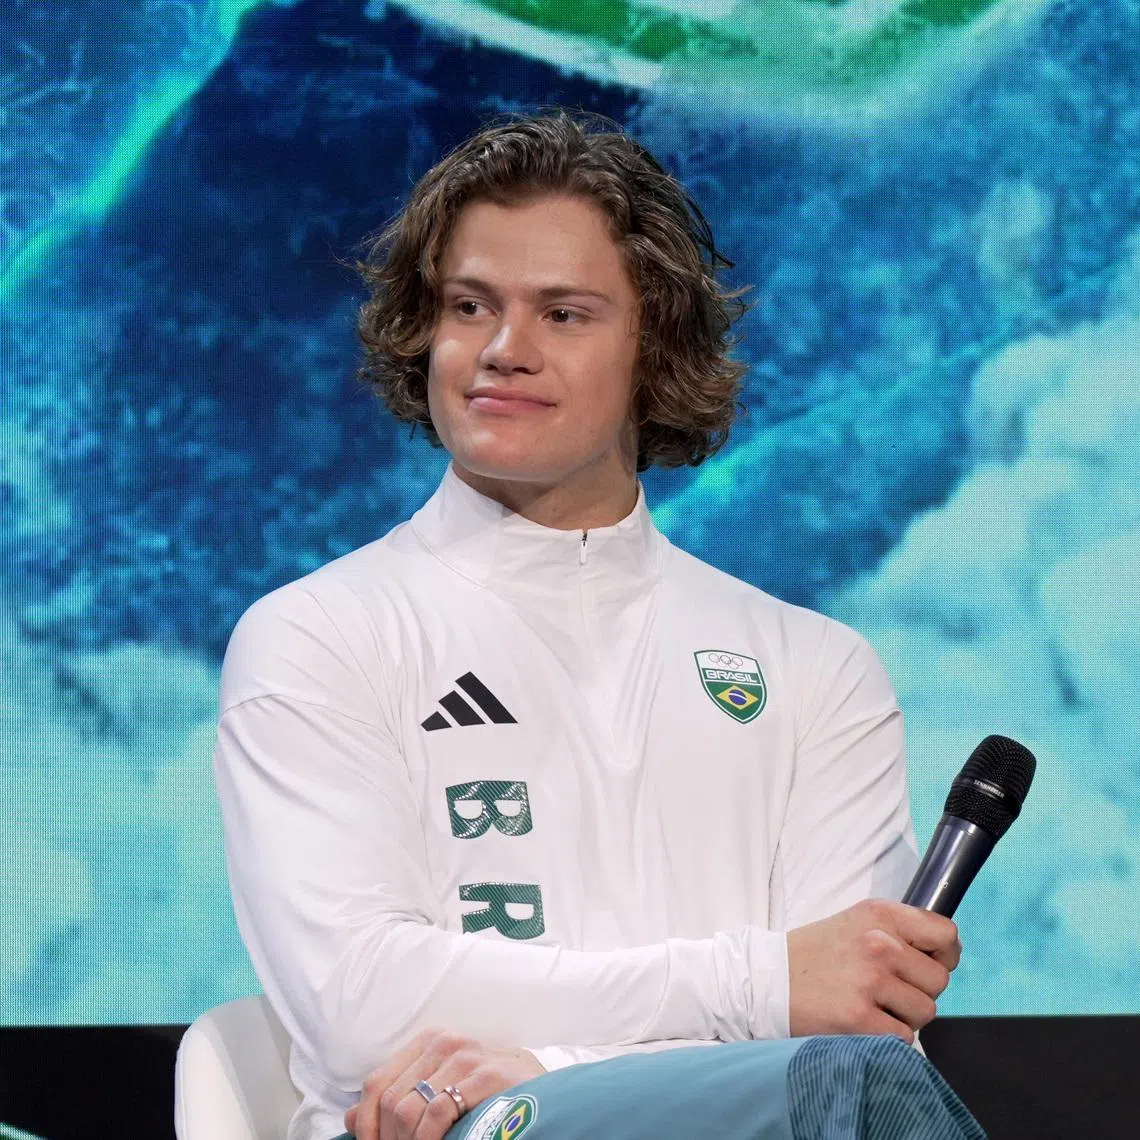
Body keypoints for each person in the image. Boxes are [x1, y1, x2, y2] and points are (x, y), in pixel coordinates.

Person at [214, 111, 984, 1140]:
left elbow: (850, 1042)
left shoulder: (815, 669)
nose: (503, 350)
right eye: (469, 306)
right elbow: (361, 1008)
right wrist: (759, 983)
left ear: (653, 347)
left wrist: (550, 1066)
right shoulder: (318, 636)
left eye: (563, 314)